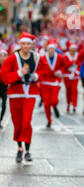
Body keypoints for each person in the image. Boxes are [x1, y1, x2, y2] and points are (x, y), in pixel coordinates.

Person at [1, 32, 51, 163]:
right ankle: (19, 148)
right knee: (17, 123)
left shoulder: (37, 57)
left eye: (28, 43)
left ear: (32, 45)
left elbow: (45, 71)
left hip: (30, 93)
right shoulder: (12, 58)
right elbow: (4, 77)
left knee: (26, 121)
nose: (26, 46)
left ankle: (28, 150)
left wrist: (36, 76)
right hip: (15, 93)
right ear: (20, 44)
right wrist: (19, 72)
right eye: (23, 43)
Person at [40, 39, 65, 128]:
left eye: (52, 49)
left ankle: (54, 107)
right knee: (46, 104)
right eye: (49, 49)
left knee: (54, 100)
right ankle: (49, 120)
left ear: (54, 50)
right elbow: (39, 69)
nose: (51, 51)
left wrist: (59, 72)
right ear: (47, 50)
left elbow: (63, 67)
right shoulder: (42, 58)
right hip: (45, 83)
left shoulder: (60, 57)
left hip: (55, 82)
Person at [63, 42, 81, 113]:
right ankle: (68, 103)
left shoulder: (77, 55)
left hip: (75, 75)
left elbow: (79, 63)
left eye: (74, 50)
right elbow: (65, 65)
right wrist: (73, 62)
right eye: (72, 50)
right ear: (69, 50)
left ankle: (74, 104)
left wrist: (77, 68)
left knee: (74, 90)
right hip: (67, 75)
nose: (73, 52)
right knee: (68, 90)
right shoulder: (66, 56)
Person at [0, 49, 8, 129]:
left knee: (4, 105)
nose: (2, 58)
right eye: (1, 56)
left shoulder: (8, 66)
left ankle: (0, 120)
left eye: (4, 56)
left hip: (4, 89)